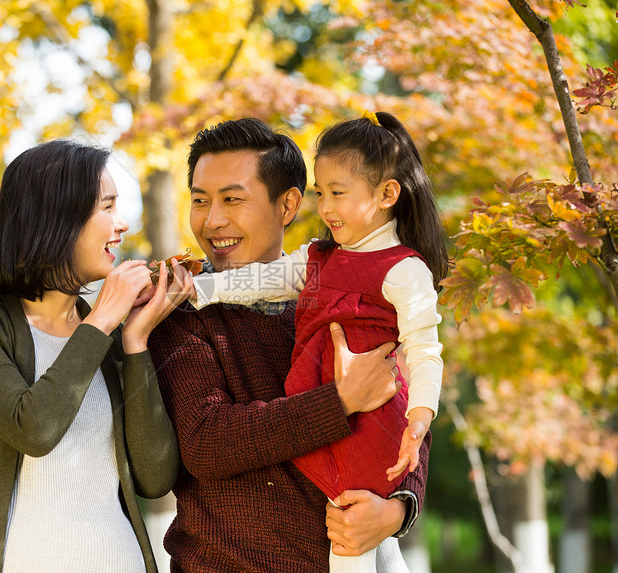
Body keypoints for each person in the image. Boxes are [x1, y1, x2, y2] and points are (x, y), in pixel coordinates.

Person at [147, 118, 431, 573]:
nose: (212, 220)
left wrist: (397, 509)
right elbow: (207, 443)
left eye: (233, 199)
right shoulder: (184, 311)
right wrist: (339, 401)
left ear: (289, 205)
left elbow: (401, 412)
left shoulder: (343, 288)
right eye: (200, 200)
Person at [0, 139, 192, 573]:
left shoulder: (110, 335)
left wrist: (135, 342)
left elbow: (155, 477)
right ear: (57, 218)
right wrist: (105, 318)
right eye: (107, 207)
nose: (122, 224)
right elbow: (35, 428)